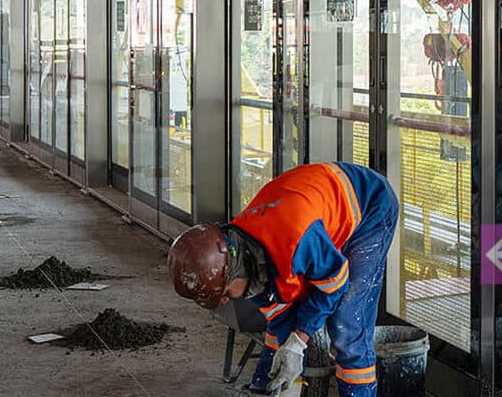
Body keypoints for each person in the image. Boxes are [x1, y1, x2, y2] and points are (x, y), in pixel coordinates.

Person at [168, 161, 399, 397]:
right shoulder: (246, 258)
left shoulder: (293, 238)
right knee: (294, 324)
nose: (226, 301)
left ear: (233, 271)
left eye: (224, 293)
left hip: (371, 206)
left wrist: (299, 341)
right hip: (320, 213)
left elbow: (334, 284)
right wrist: (283, 371)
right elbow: (281, 319)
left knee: (346, 326)